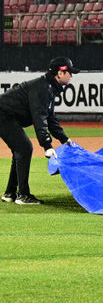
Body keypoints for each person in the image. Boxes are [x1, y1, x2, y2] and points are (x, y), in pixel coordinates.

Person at [0, 57, 77, 205]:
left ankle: (10, 193)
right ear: (60, 73)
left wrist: (64, 139)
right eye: (69, 72)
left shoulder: (48, 86)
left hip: (7, 115)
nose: (71, 76)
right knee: (24, 148)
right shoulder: (43, 88)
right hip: (3, 115)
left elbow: (50, 118)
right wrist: (47, 145)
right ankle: (23, 195)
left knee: (20, 150)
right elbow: (39, 118)